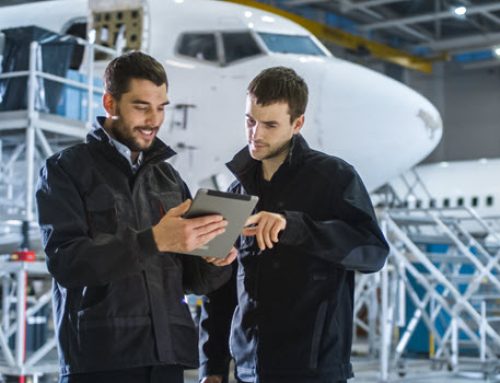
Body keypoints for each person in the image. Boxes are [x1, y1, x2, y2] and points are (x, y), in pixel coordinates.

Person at [35, 51, 236, 383]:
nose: (154, 120)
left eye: (161, 108)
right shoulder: (66, 170)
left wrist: (215, 262)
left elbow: (192, 279)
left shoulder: (169, 179)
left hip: (167, 357)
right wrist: (154, 239)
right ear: (110, 103)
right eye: (142, 107)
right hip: (102, 359)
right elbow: (67, 263)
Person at [199, 67, 390, 383]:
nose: (256, 134)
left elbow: (373, 253)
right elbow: (219, 292)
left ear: (297, 124)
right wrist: (213, 367)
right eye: (250, 120)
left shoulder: (334, 178)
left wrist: (294, 227)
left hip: (313, 370)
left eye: (270, 125)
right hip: (249, 371)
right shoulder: (235, 193)